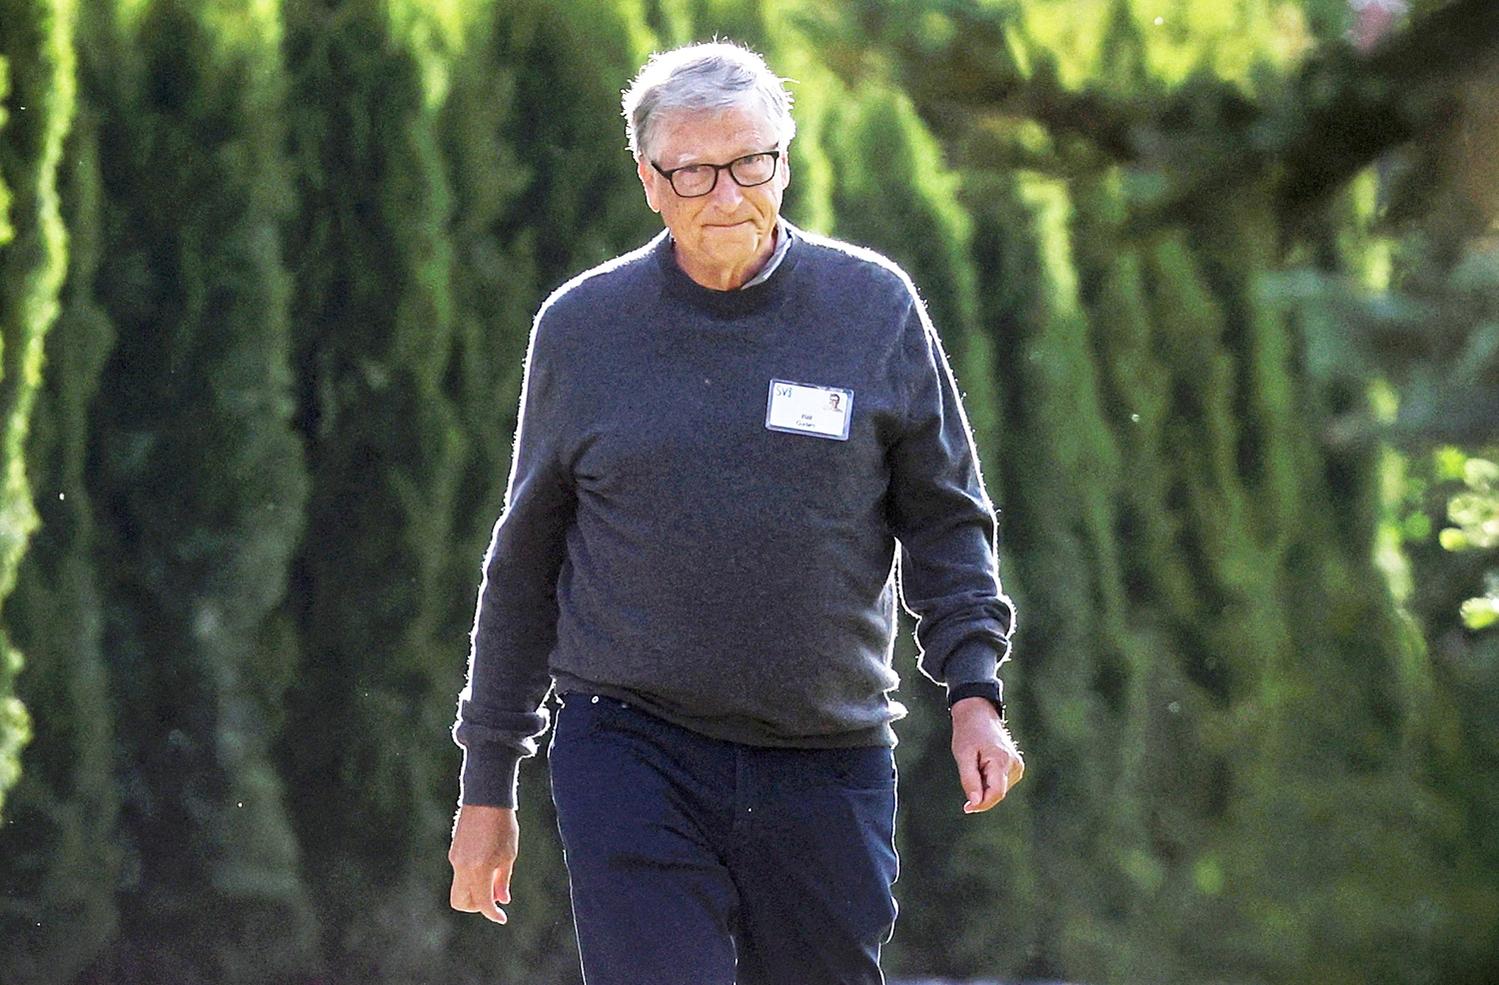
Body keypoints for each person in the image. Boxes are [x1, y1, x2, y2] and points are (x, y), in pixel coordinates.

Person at [447, 39, 1024, 985]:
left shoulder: (872, 310)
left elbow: (945, 520)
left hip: (824, 751)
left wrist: (973, 692)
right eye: (693, 171)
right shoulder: (583, 330)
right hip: (630, 740)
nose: (726, 195)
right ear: (648, 180)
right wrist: (487, 784)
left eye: (750, 163)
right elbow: (525, 566)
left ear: (784, 163)